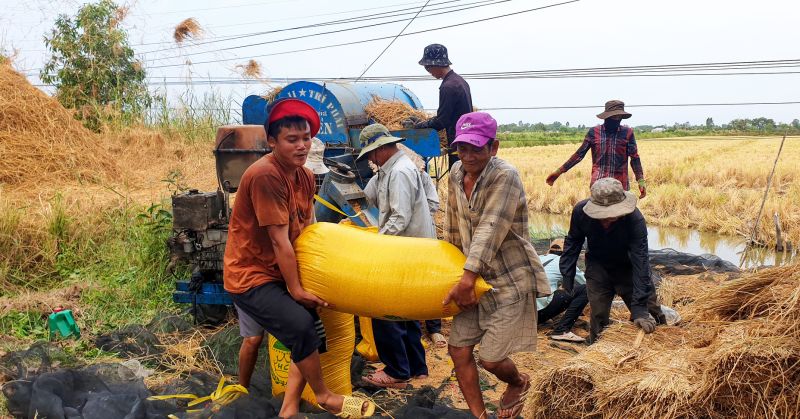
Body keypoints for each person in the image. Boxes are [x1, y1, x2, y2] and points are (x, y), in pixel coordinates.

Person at [223, 98, 374, 418]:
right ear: (272, 141)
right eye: (292, 139)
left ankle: (289, 408)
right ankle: (324, 395)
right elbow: (279, 241)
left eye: (306, 138)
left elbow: (305, 229)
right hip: (250, 274)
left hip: (279, 269)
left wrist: (316, 277)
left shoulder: (305, 176)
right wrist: (296, 289)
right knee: (299, 326)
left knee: (311, 328)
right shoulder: (265, 175)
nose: (302, 145)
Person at [442, 112, 551, 419]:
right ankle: (480, 416)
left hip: (507, 278)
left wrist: (466, 278)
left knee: (490, 359)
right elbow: (452, 224)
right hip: (470, 278)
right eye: (462, 148)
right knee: (458, 349)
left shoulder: (505, 176)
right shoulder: (454, 174)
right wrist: (450, 269)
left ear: (494, 147)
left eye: (476, 148)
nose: (468, 156)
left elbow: (491, 227)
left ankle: (518, 382)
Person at [358, 123, 434, 388]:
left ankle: (397, 372)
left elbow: (399, 217)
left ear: (380, 149)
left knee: (384, 310)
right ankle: (416, 367)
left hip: (404, 251)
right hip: (408, 250)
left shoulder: (400, 172)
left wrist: (376, 246)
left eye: (370, 153)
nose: (369, 159)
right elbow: (368, 197)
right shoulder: (389, 171)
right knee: (407, 311)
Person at [559, 177, 665, 344]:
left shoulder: (634, 219)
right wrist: (567, 275)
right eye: (603, 216)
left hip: (628, 267)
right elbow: (573, 241)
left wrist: (638, 308)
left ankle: (662, 344)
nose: (608, 219)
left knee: (651, 312)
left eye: (613, 215)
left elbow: (641, 261)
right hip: (598, 267)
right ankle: (596, 351)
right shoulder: (580, 212)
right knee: (598, 314)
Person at [546, 100, 647, 198]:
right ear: (606, 116)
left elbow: (635, 158)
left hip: (620, 186)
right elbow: (579, 155)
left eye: (619, 116)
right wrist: (559, 172)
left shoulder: (628, 133)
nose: (617, 119)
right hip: (598, 186)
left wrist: (641, 180)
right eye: (614, 116)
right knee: (584, 212)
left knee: (633, 215)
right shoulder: (593, 132)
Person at [407, 43, 473, 169]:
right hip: (467, 140)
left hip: (458, 144)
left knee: (458, 182)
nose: (429, 72)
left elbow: (442, 120)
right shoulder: (460, 81)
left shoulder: (447, 86)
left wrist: (419, 126)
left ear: (435, 64)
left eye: (427, 68)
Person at [536, 238, 589, 343]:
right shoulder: (564, 262)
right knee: (586, 289)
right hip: (538, 315)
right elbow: (585, 281)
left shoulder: (537, 258)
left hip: (522, 315)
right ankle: (562, 330)